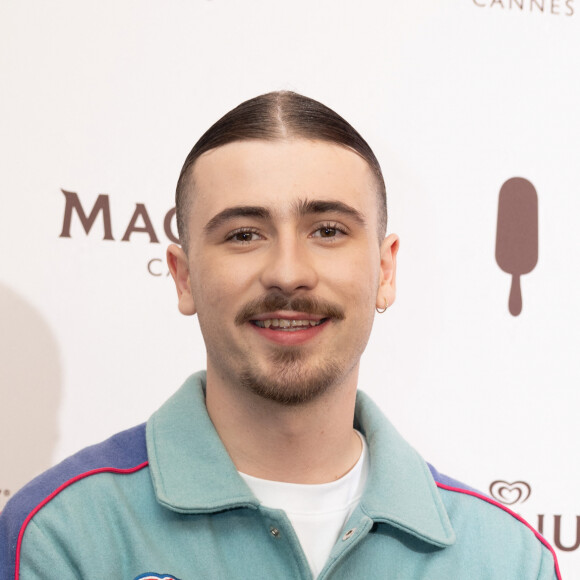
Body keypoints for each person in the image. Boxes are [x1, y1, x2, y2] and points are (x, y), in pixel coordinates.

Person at [0, 92, 560, 580]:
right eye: (244, 234)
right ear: (184, 275)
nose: (288, 271)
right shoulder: (62, 534)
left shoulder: (509, 561)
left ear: (384, 272)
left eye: (328, 230)